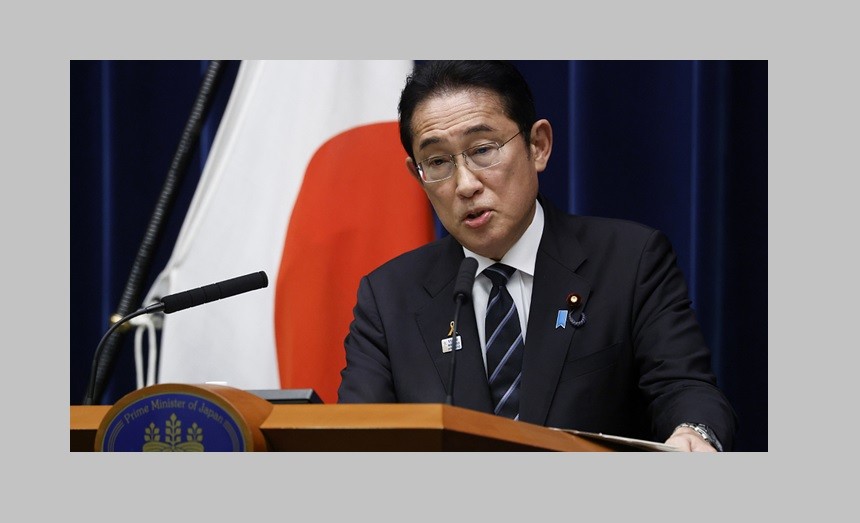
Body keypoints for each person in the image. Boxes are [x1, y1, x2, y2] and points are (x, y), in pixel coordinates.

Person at [337, 60, 738, 452]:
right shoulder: (388, 298)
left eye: (483, 149)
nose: (465, 184)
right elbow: (356, 440)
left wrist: (693, 433)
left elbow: (683, 387)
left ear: (538, 146)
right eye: (438, 162)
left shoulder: (630, 261)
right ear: (418, 176)